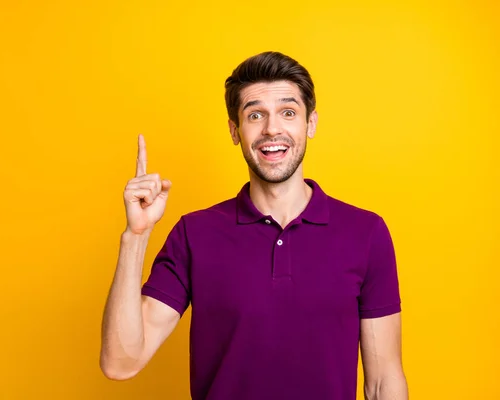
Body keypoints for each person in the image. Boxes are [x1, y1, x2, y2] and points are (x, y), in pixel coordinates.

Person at [100, 51, 408, 400]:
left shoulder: (365, 233)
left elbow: (383, 382)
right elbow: (120, 362)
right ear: (235, 131)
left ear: (311, 124)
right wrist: (135, 236)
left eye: (288, 112)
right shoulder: (194, 234)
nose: (272, 128)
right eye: (255, 114)